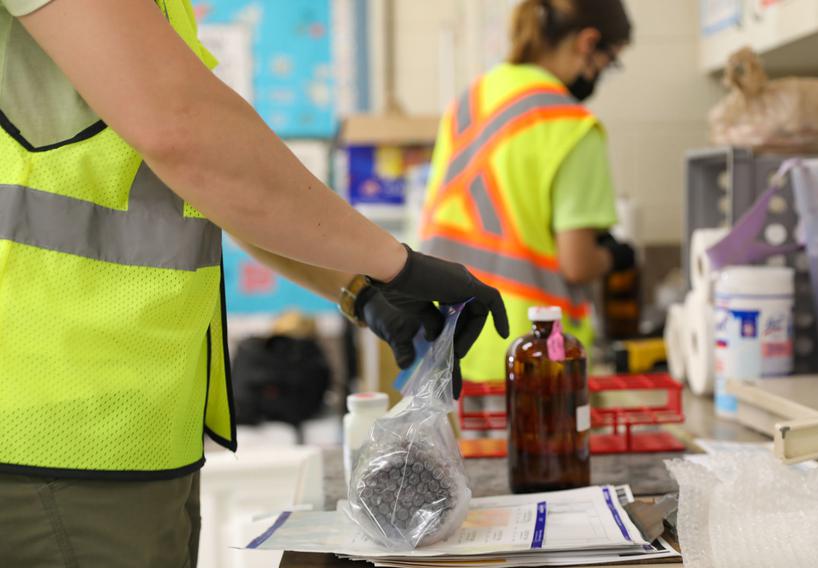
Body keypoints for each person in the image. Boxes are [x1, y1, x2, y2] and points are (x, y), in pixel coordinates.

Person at [0, 0, 508, 565]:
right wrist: (398, 264)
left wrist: (362, 290)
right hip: (50, 435)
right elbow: (185, 133)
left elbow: (210, 179)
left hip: (118, 433)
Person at [420, 0, 635, 384]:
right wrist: (615, 256)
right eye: (610, 61)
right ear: (588, 43)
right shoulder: (570, 124)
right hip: (532, 353)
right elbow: (578, 263)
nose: (602, 74)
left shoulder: (468, 102)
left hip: (448, 344)